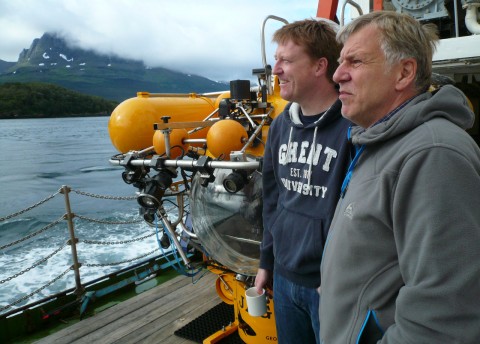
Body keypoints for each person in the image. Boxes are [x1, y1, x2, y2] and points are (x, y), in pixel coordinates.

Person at [320, 10, 480, 343]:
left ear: (404, 72)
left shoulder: (433, 154)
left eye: (355, 61)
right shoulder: (380, 141)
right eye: (340, 62)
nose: (337, 75)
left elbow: (443, 317)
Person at [255, 19, 351, 344]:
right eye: (276, 60)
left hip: (333, 286)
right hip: (283, 278)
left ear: (319, 66)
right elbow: (273, 200)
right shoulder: (281, 125)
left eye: (286, 61)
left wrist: (343, 274)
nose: (276, 70)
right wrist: (266, 262)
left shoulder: (353, 127)